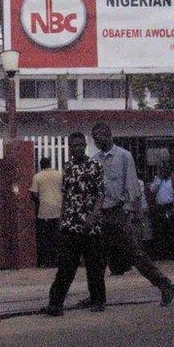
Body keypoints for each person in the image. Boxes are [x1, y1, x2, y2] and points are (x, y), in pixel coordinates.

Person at [90, 123, 174, 307]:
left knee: (136, 254)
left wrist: (135, 215)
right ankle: (97, 297)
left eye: (100, 135)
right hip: (101, 214)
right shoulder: (94, 160)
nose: (97, 139)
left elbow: (133, 188)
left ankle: (165, 284)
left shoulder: (123, 156)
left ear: (109, 135)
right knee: (97, 257)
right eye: (94, 137)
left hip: (120, 213)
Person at [40, 132, 106, 316]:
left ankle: (98, 300)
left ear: (84, 145)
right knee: (66, 267)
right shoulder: (67, 168)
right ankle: (55, 304)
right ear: (69, 148)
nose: (76, 148)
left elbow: (101, 195)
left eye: (80, 145)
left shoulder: (95, 166)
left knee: (94, 266)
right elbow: (65, 196)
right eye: (73, 145)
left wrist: (93, 217)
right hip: (71, 224)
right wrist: (62, 220)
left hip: (91, 225)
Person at [30, 157, 62, 268]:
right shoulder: (59, 174)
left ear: (40, 165)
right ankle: (57, 260)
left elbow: (33, 193)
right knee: (57, 235)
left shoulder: (37, 177)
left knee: (45, 237)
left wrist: (38, 203)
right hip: (58, 209)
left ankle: (47, 261)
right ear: (50, 164)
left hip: (44, 210)